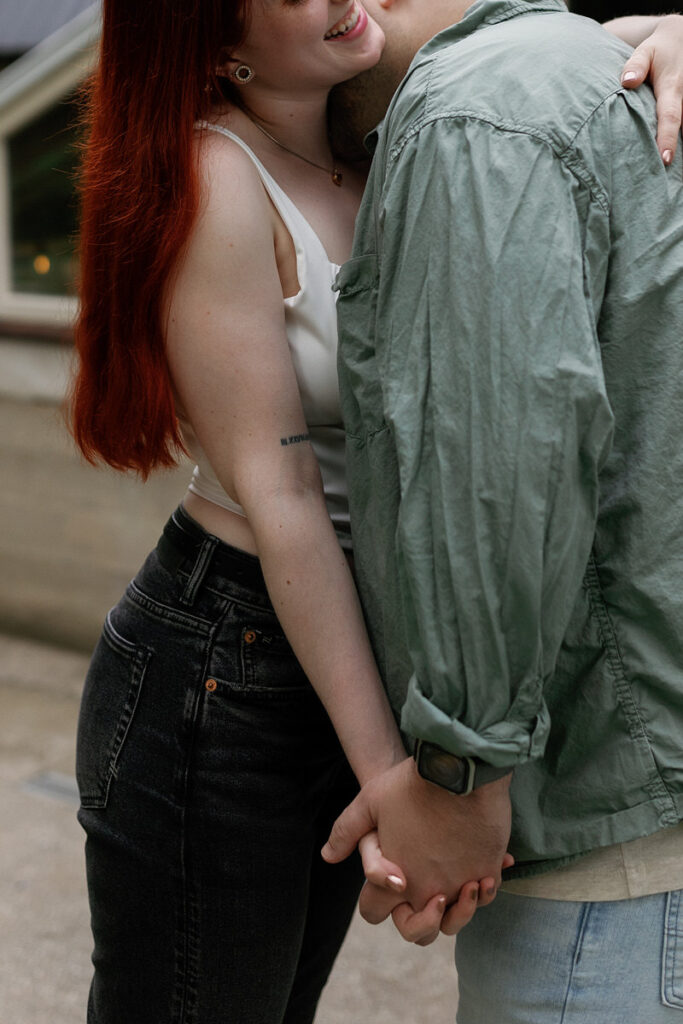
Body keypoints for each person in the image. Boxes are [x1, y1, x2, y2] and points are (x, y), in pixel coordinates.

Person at [69, 2, 679, 1022]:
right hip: (233, 657)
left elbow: (573, 63)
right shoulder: (218, 173)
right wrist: (404, 778)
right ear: (212, 43)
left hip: (346, 643)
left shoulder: (390, 136)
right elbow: (286, 497)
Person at [321, 0, 683, 1020]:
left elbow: (497, 461)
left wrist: (458, 772)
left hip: (606, 838)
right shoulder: (600, 72)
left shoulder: (472, 112)